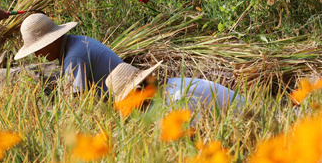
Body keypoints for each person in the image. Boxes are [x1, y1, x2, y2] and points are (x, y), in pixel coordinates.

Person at [14, 13, 124, 96]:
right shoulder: (77, 41)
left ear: (51, 41)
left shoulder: (74, 58)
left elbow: (75, 100)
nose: (37, 55)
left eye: (38, 48)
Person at [105, 61, 244, 112]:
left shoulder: (180, 99)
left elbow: (193, 139)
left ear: (140, 91)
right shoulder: (172, 85)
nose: (136, 109)